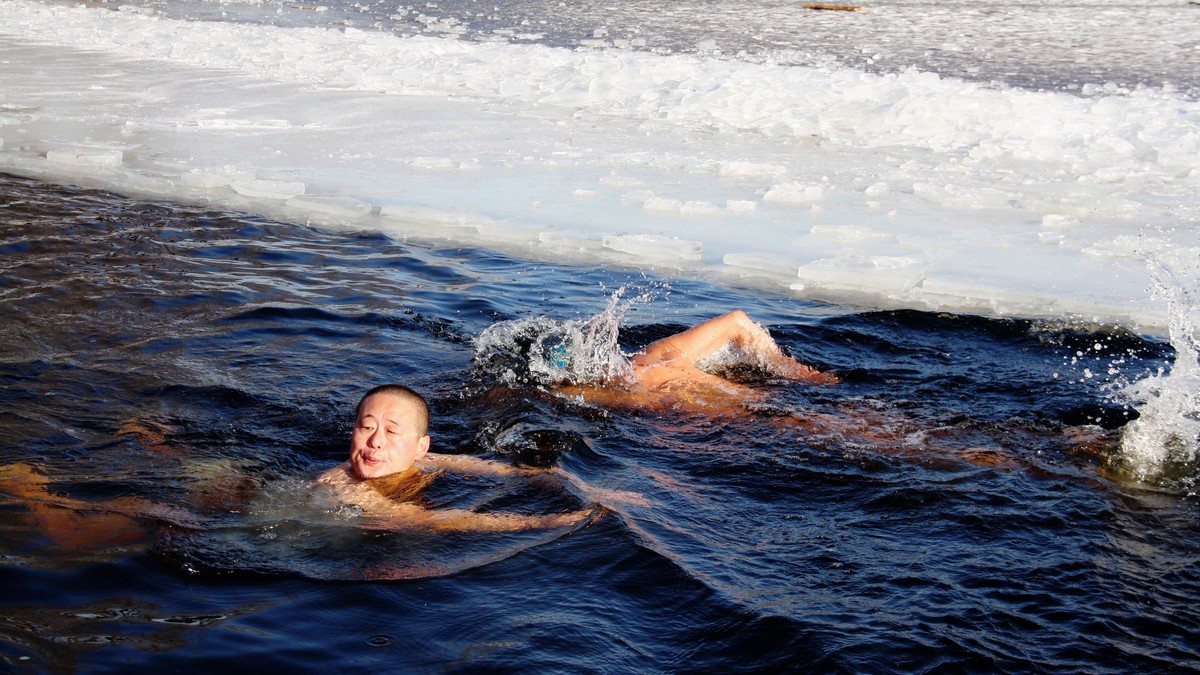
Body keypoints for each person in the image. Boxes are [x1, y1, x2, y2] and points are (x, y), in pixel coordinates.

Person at [316, 383, 596, 531]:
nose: (375, 441)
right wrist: (542, 522)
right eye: (366, 428)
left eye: (391, 431)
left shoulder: (422, 459)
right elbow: (425, 521)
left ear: (420, 448)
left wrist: (588, 487)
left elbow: (497, 469)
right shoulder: (342, 485)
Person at [554, 310, 838, 410]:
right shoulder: (655, 354)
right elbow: (737, 322)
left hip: (749, 411)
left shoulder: (626, 393)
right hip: (784, 395)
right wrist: (797, 373)